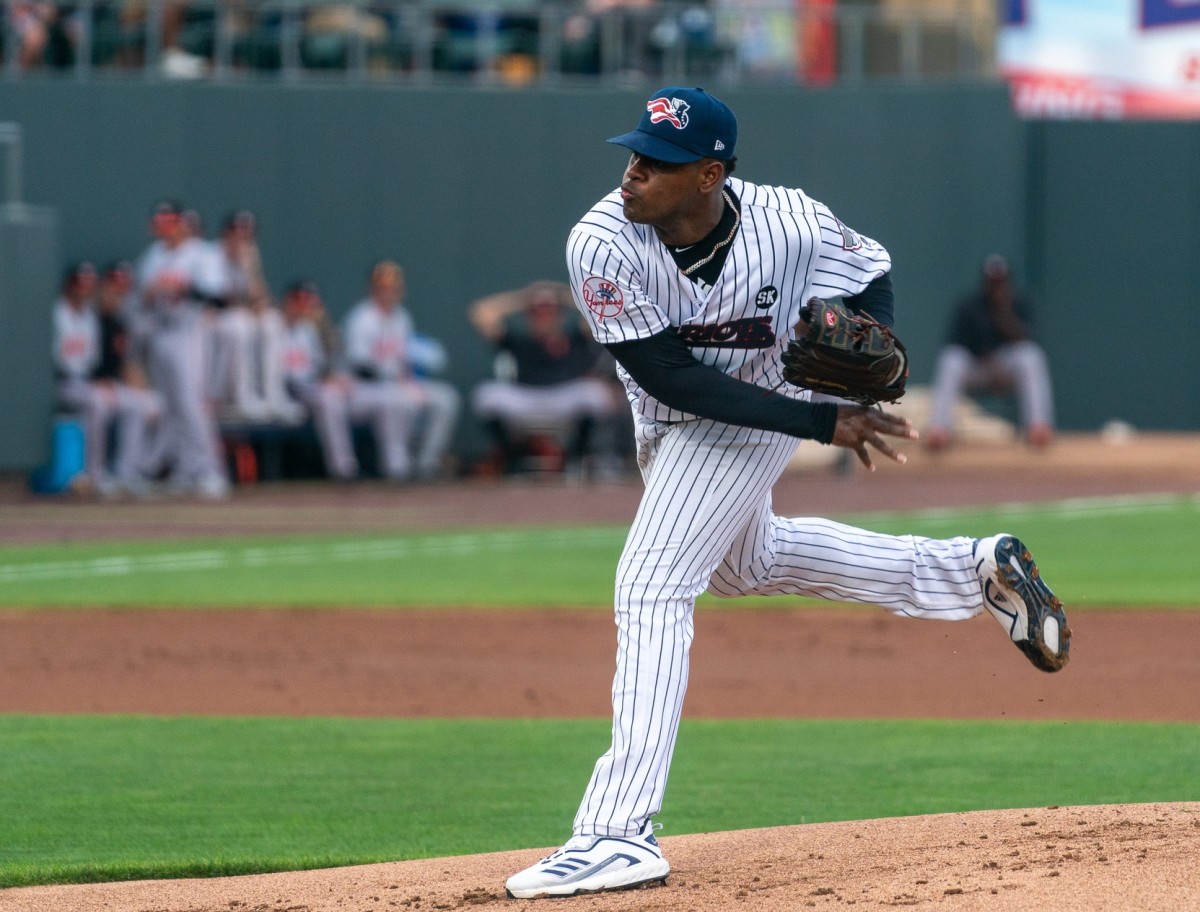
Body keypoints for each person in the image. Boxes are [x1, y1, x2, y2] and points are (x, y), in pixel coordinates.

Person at [504, 86, 1072, 900]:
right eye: (632, 155)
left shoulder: (789, 223)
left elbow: (869, 267)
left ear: (709, 175)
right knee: (744, 563)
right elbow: (670, 377)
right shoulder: (601, 243)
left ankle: (616, 832)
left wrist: (865, 364)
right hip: (680, 413)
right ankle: (973, 571)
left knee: (652, 582)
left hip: (755, 411)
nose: (632, 174)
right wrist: (818, 420)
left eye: (656, 164)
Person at [134, 198, 231, 499]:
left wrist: (183, 288)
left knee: (190, 404)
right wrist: (152, 292)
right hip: (160, 332)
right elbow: (141, 301)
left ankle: (211, 471)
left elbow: (220, 298)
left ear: (182, 223)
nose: (166, 227)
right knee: (170, 406)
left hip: (190, 332)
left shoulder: (202, 254)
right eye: (160, 221)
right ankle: (184, 470)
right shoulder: (152, 256)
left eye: (171, 221)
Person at [469, 279, 617, 476]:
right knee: (486, 395)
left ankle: (577, 456)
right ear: (529, 316)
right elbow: (480, 312)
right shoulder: (518, 340)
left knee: (595, 393)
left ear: (560, 315)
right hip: (526, 397)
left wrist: (561, 296)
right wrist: (525, 299)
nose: (544, 317)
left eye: (550, 312)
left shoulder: (574, 337)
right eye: (538, 313)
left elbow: (601, 310)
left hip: (564, 397)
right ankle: (511, 456)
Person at [342, 260, 461, 481]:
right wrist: (397, 380)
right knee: (396, 400)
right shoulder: (361, 318)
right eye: (383, 287)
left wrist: (409, 380)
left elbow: (404, 359)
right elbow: (360, 366)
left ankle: (426, 464)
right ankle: (396, 468)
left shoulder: (401, 317)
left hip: (397, 384)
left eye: (393, 287)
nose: (389, 292)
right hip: (365, 389)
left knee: (446, 398)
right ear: (373, 288)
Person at [53, 261, 162, 496]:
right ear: (68, 285)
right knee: (99, 403)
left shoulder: (90, 317)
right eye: (79, 283)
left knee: (137, 405)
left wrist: (106, 382)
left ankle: (127, 473)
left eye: (88, 283)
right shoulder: (57, 314)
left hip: (89, 382)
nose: (84, 288)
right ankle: (96, 475)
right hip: (64, 383)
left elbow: (95, 363)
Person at [925, 254, 1055, 451]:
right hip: (976, 368)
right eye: (992, 282)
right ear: (984, 281)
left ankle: (1038, 428)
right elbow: (954, 342)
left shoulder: (1019, 304)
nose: (996, 286)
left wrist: (1003, 312)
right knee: (951, 360)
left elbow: (1027, 339)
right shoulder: (969, 306)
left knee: (1031, 356)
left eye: (1000, 281)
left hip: (1005, 368)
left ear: (1008, 281)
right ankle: (939, 431)